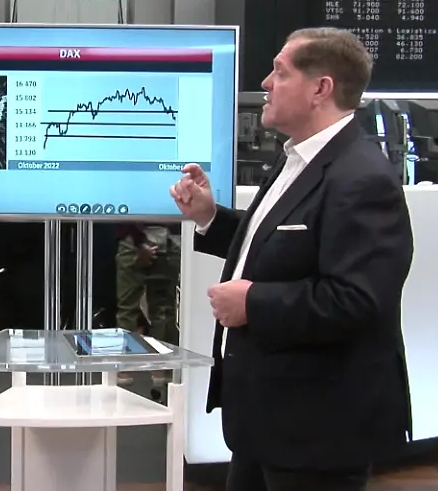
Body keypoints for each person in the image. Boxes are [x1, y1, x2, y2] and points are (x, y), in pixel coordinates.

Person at [170, 27, 413, 491]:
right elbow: (281, 246)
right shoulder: (297, 159)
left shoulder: (361, 178)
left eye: (280, 72)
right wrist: (210, 217)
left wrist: (253, 303)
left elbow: (357, 300)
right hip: (267, 422)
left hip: (317, 430)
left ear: (321, 88)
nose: (265, 83)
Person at [114, 222, 180, 386]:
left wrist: (138, 241)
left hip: (134, 238)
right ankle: (162, 369)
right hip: (170, 236)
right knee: (163, 310)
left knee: (127, 309)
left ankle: (124, 369)